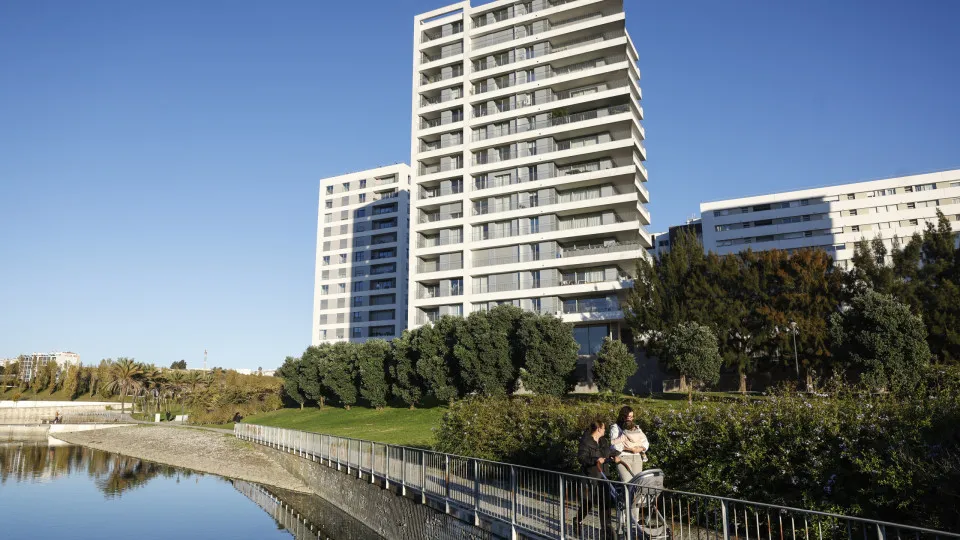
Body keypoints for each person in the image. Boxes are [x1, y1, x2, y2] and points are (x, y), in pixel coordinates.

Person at [575, 419, 620, 537]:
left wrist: (614, 456)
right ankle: (577, 520)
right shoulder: (586, 442)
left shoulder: (603, 441)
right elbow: (581, 458)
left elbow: (608, 452)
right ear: (599, 429)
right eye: (604, 428)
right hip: (591, 476)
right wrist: (595, 460)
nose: (605, 430)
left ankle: (606, 530)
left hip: (604, 475)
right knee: (588, 503)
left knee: (605, 503)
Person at [609, 406, 650, 482]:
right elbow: (614, 445)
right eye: (629, 417)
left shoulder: (636, 428)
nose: (631, 419)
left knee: (637, 483)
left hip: (637, 457)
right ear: (623, 416)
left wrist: (640, 449)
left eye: (632, 417)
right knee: (627, 482)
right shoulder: (615, 427)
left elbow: (645, 441)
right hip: (623, 457)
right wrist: (630, 448)